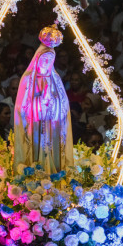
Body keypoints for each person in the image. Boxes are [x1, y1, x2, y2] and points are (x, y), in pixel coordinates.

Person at [13, 25, 74, 175]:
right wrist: (40, 102)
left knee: (53, 153)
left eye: (50, 60)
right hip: (35, 125)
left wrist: (53, 102)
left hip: (53, 126)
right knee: (36, 152)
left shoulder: (56, 79)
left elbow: (64, 105)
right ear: (37, 59)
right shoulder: (28, 79)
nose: (46, 63)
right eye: (44, 60)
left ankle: (56, 175)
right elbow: (21, 108)